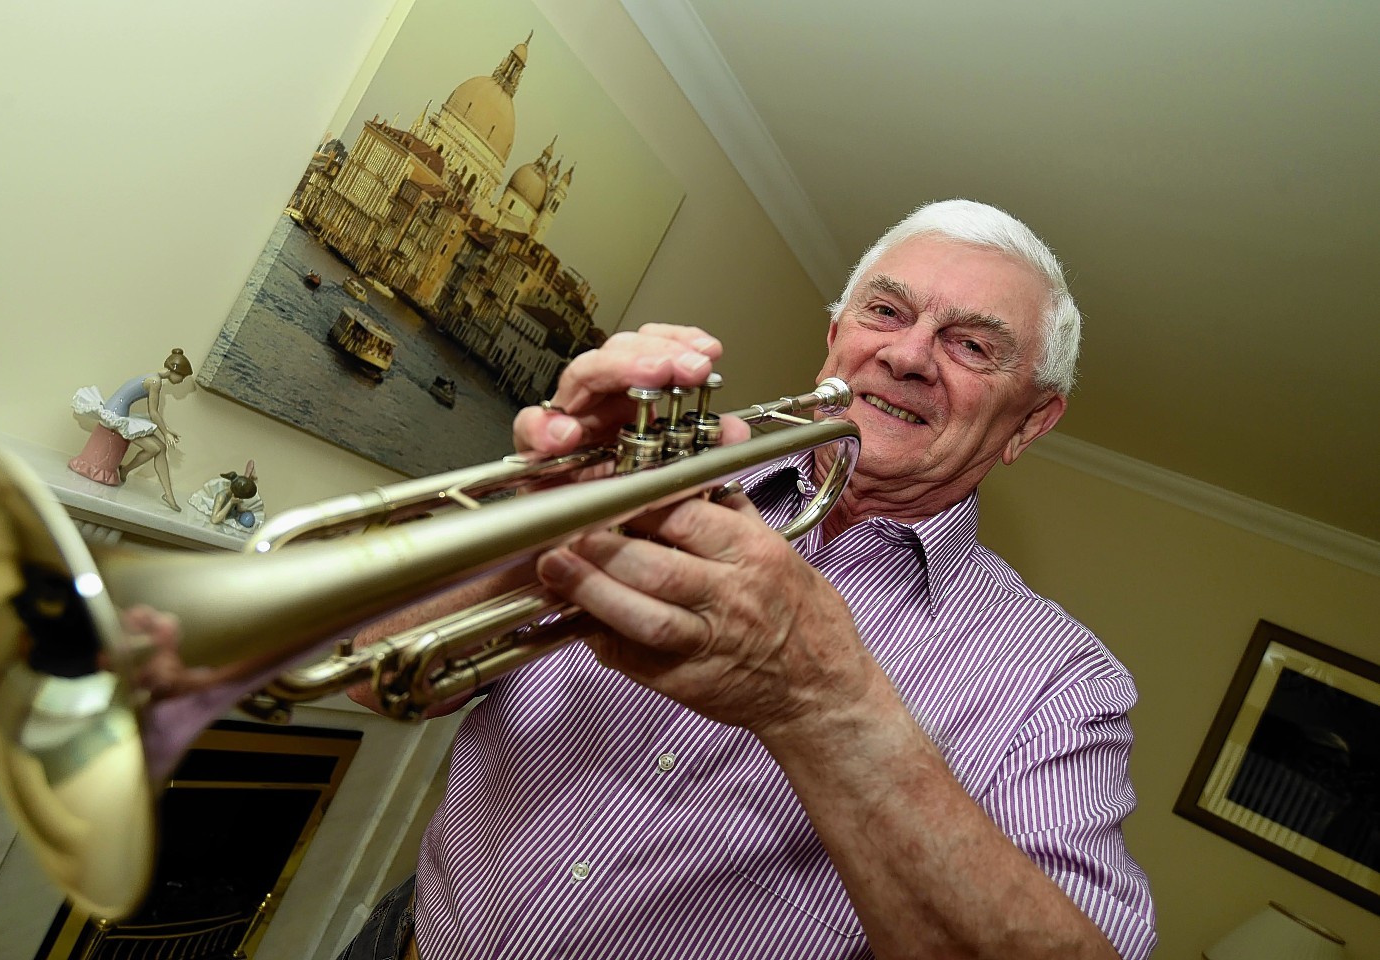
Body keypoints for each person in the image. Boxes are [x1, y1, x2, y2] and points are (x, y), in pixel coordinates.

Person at [340, 199, 1157, 960]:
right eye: (886, 311)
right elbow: (371, 671)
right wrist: (542, 519)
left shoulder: (1063, 680)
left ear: (1030, 422)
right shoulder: (669, 478)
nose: (906, 356)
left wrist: (826, 700)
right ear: (835, 336)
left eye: (972, 345)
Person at [69, 347, 193, 510]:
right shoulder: (155, 382)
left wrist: (167, 431)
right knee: (155, 449)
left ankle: (167, 495)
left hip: (119, 411)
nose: (181, 381)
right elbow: (153, 413)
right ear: (174, 371)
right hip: (116, 415)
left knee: (160, 448)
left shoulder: (153, 377)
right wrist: (166, 432)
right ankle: (127, 472)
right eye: (182, 377)